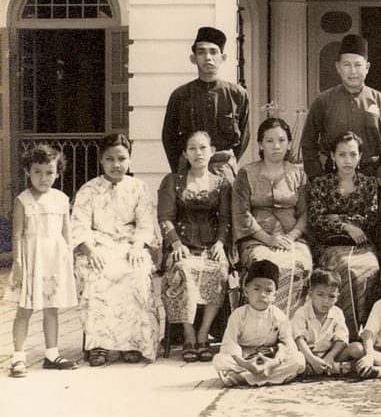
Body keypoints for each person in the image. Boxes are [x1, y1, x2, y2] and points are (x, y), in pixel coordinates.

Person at [71, 134, 161, 366]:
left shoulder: (139, 188)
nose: (116, 164)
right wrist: (90, 250)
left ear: (130, 159)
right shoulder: (89, 189)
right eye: (110, 159)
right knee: (97, 273)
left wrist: (137, 246)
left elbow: (145, 224)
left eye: (122, 158)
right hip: (97, 245)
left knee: (136, 272)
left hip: (129, 244)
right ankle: (98, 345)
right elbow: (79, 225)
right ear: (101, 161)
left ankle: (132, 343)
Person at [159, 130, 232, 363]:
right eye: (192, 148)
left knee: (220, 270)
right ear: (185, 153)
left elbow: (225, 219)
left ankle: (203, 334)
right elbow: (165, 217)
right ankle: (189, 334)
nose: (198, 152)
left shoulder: (221, 183)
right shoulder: (173, 181)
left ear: (211, 152)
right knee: (182, 270)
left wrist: (221, 242)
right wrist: (175, 243)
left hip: (211, 246)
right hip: (184, 245)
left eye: (203, 148)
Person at [8, 144, 78, 376]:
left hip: (53, 259)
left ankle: (52, 353)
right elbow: (17, 234)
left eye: (49, 172)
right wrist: (18, 261)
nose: (43, 177)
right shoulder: (23, 200)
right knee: (24, 309)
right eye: (37, 171)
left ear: (58, 173)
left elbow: (67, 234)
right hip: (31, 259)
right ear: (28, 171)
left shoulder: (61, 199)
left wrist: (69, 259)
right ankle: (18, 357)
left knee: (51, 307)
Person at [232, 117, 313, 316]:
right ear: (260, 144)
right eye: (269, 141)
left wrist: (291, 237)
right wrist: (268, 239)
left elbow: (305, 213)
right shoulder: (246, 173)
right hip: (257, 239)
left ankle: (291, 327)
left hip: (291, 239)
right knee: (264, 266)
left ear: (289, 143)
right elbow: (242, 213)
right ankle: (261, 326)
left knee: (299, 266)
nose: (276, 146)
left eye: (282, 140)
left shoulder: (298, 174)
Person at [301, 34, 381, 184]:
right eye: (347, 65)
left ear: (367, 67)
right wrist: (317, 177)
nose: (353, 71)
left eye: (357, 65)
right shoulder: (323, 101)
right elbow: (308, 142)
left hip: (372, 178)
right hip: (332, 178)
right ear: (338, 67)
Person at [306, 131, 381, 340]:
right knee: (344, 268)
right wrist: (347, 226)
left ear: (359, 156)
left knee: (369, 268)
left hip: (362, 246)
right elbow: (317, 219)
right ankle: (343, 332)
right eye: (341, 154)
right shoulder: (322, 184)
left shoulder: (369, 185)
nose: (347, 160)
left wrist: (335, 217)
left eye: (352, 154)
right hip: (330, 246)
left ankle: (364, 331)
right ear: (332, 156)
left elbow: (370, 219)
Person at [161, 26, 249, 182]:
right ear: (193, 58)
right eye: (201, 52)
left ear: (223, 57)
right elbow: (169, 137)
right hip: (190, 171)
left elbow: (244, 136)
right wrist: (180, 170)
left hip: (224, 171)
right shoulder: (180, 96)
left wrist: (228, 163)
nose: (208, 57)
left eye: (213, 52)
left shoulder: (237, 95)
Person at [212, 260, 306, 387]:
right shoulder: (238, 315)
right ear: (246, 291)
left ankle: (243, 378)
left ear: (275, 296)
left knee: (298, 360)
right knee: (219, 360)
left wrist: (274, 362)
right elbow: (230, 343)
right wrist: (244, 362)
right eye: (256, 289)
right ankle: (263, 375)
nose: (262, 295)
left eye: (268, 291)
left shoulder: (279, 316)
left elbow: (288, 344)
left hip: (270, 357)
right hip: (245, 358)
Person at [291, 269, 354, 376]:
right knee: (294, 359)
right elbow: (298, 339)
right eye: (320, 294)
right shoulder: (302, 312)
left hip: (329, 353)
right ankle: (332, 368)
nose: (326, 301)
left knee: (357, 349)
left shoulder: (337, 312)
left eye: (331, 296)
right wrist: (312, 359)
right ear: (311, 292)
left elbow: (341, 338)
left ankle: (326, 367)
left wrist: (330, 357)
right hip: (307, 355)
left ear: (337, 296)